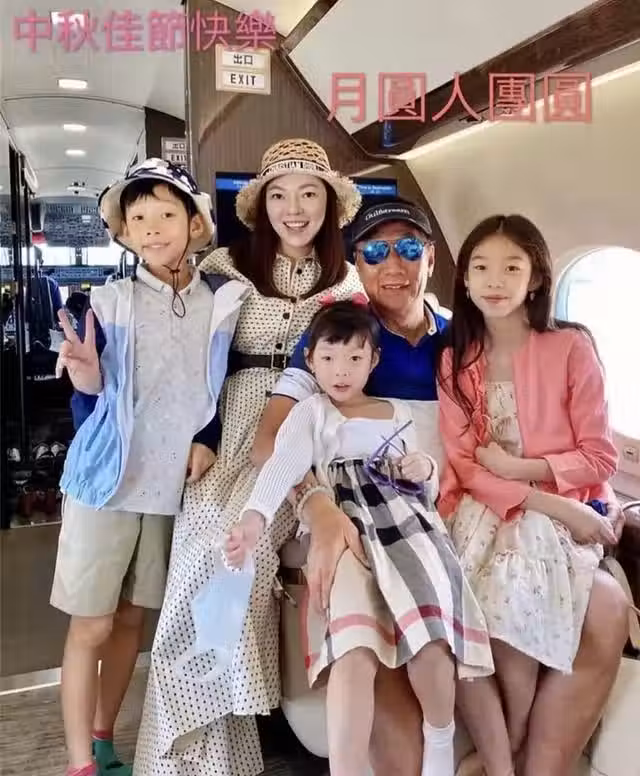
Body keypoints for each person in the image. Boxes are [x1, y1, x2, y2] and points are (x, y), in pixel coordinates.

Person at [252, 199, 629, 776]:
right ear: (356, 262)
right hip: (380, 513)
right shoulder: (342, 334)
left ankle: (530, 763)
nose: (393, 264)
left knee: (603, 605)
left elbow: (585, 445)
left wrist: (592, 497)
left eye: (409, 248)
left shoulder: (462, 335)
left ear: (431, 258)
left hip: (451, 504)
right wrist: (319, 506)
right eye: (375, 251)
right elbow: (271, 444)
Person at [132, 138, 365, 776]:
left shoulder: (348, 280)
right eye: (280, 195)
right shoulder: (225, 266)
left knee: (246, 558)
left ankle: (224, 737)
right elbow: (192, 357)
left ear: (329, 205)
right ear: (261, 207)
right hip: (233, 419)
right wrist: (203, 436)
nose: (295, 209)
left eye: (309, 194)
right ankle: (188, 752)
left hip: (307, 430)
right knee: (201, 550)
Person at [227, 299, 494, 776]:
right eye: (329, 358)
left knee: (431, 641)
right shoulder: (312, 413)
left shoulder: (397, 412)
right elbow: (282, 467)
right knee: (353, 646)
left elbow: (429, 479)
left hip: (406, 524)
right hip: (346, 527)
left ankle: (439, 738)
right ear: (310, 361)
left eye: (355, 358)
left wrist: (424, 468)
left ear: (374, 361)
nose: (341, 370)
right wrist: (253, 520)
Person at [51, 157, 248, 776]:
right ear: (125, 232)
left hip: (171, 491)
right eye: (138, 218)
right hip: (105, 485)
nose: (153, 227)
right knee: (92, 625)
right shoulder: (107, 302)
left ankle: (104, 739)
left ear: (195, 224)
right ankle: (80, 763)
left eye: (166, 213)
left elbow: (224, 387)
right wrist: (86, 377)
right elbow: (93, 400)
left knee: (133, 620)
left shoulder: (224, 301)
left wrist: (209, 438)